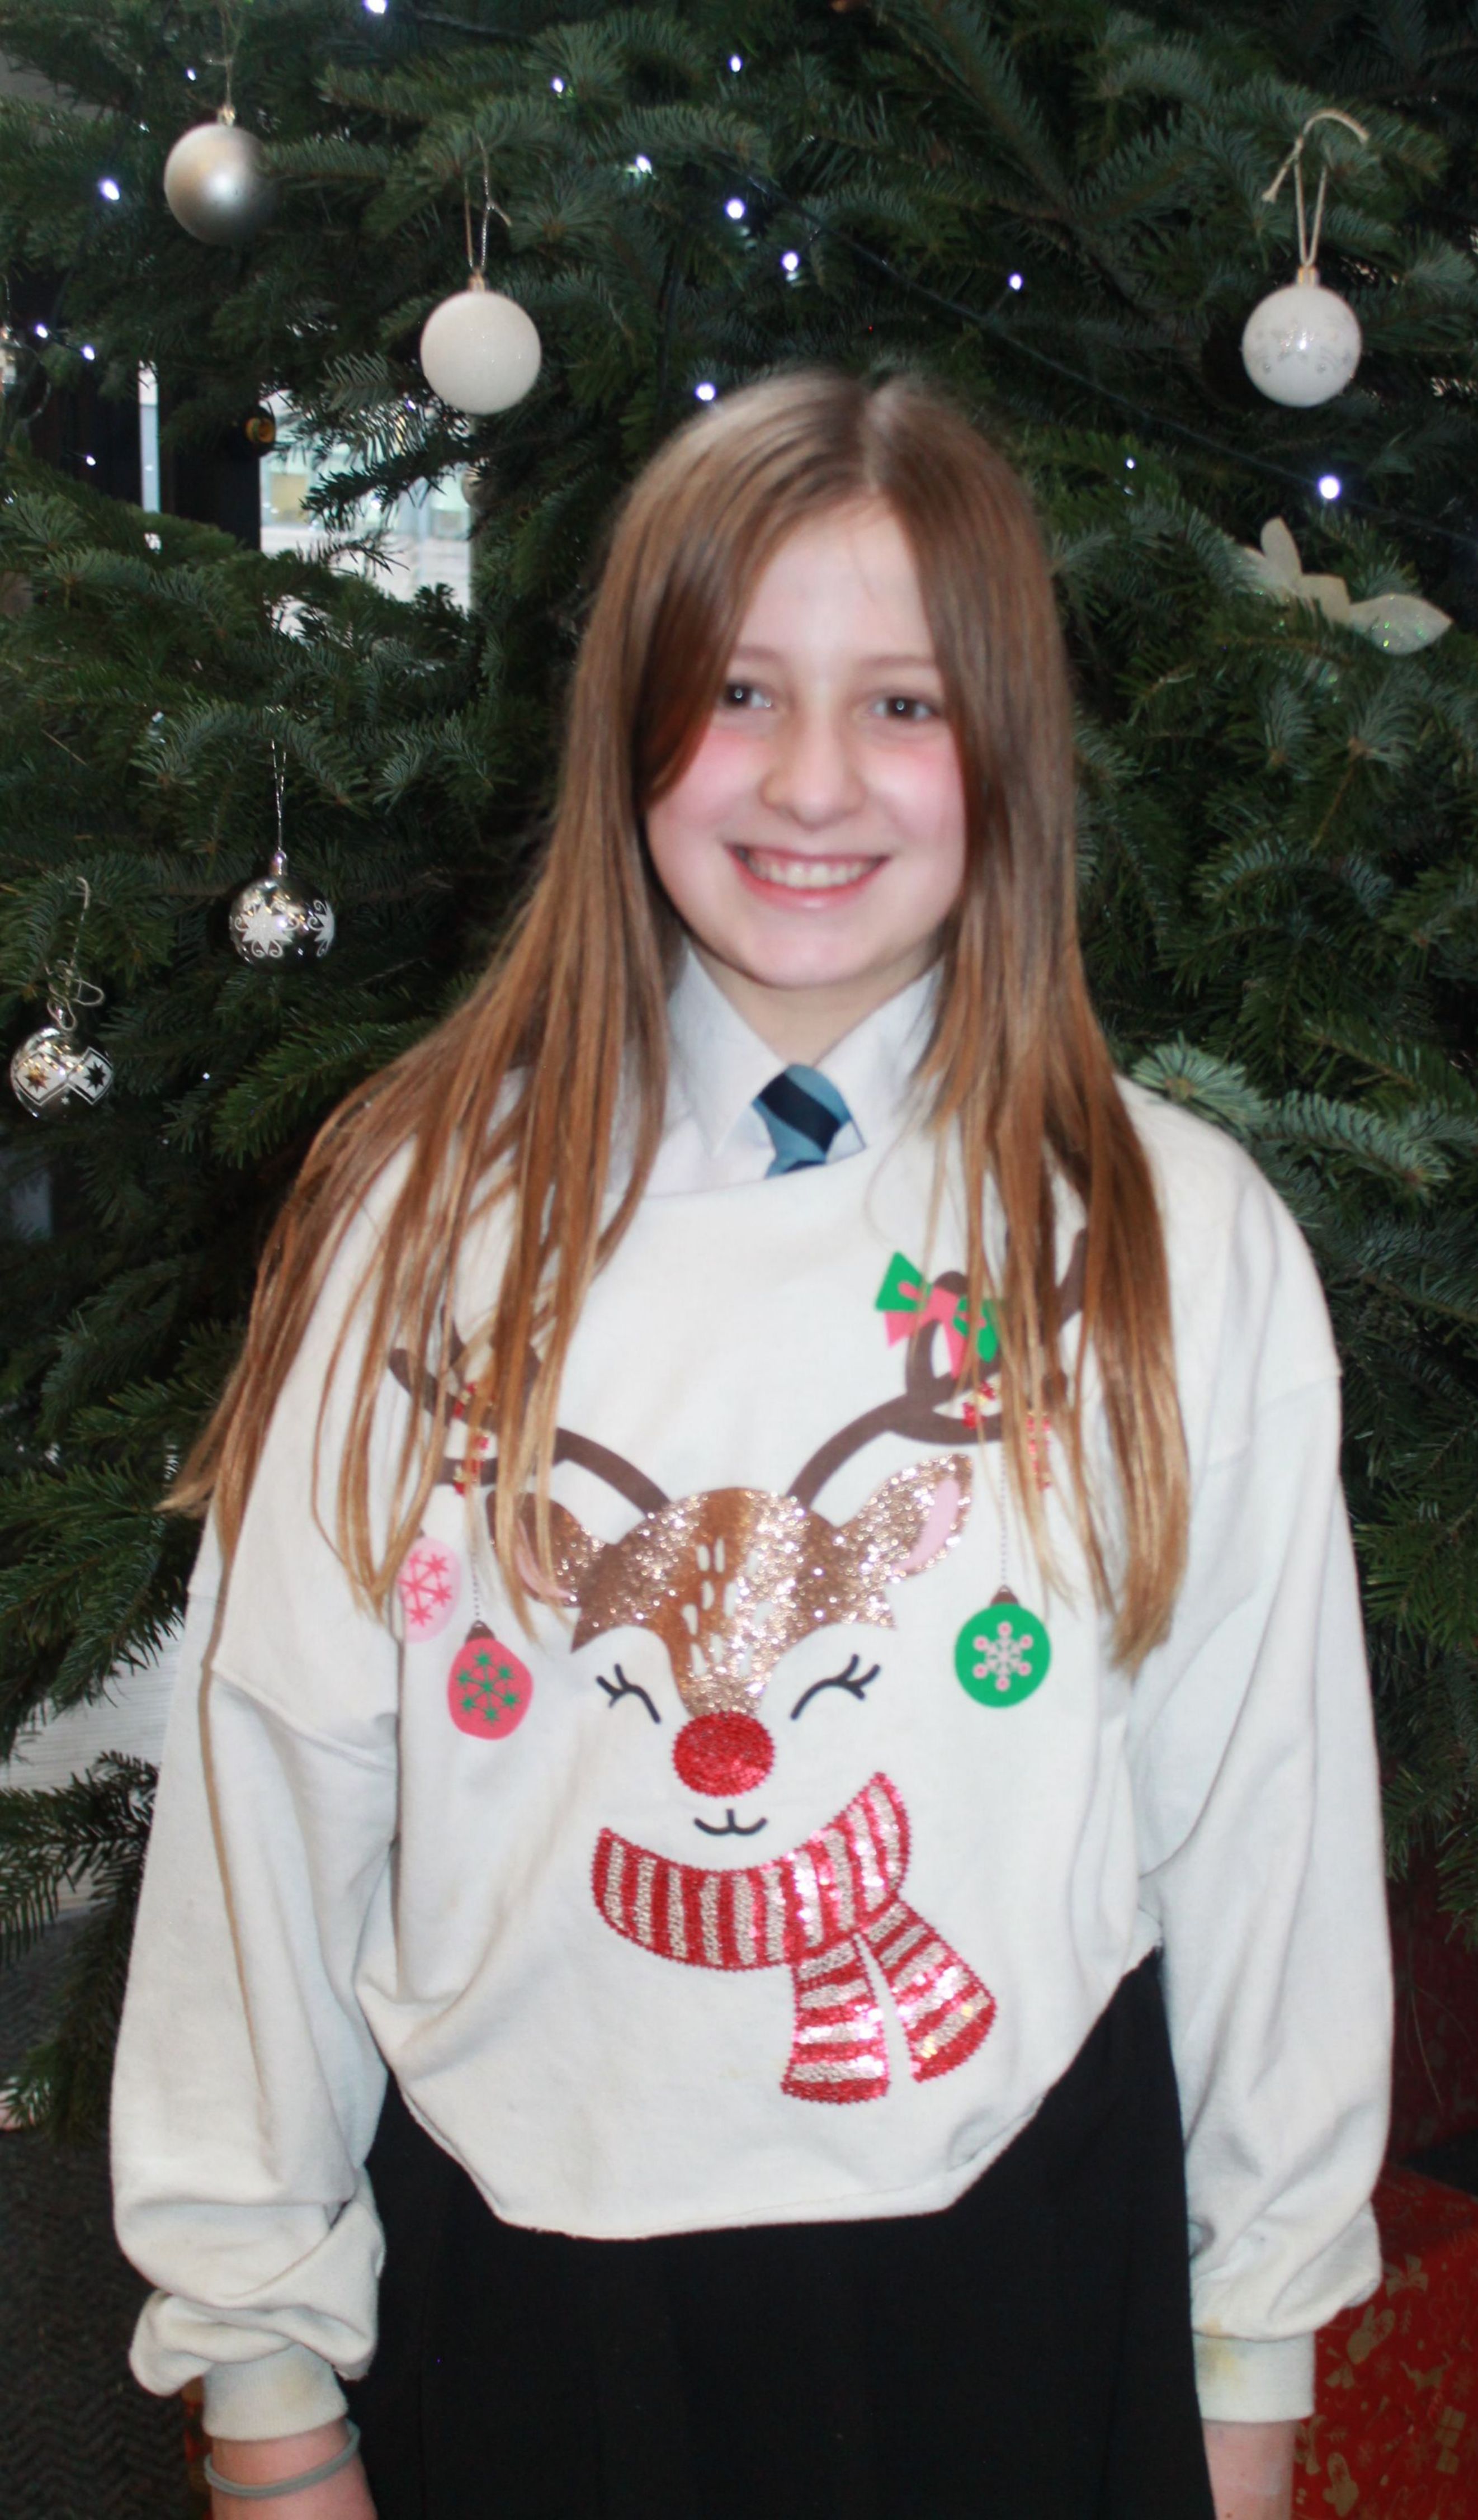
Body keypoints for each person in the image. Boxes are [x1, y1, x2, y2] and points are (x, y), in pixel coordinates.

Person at [110, 369, 1392, 2520]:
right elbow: (279, 1791)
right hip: (529, 2295)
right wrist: (264, 2379)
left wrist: (1250, 2349)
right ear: (630, 734)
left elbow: (1264, 1826)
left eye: (903, 704)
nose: (814, 781)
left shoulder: (1173, 1247)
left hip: (1016, 2277)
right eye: (738, 692)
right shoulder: (424, 1224)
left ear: (1008, 750)